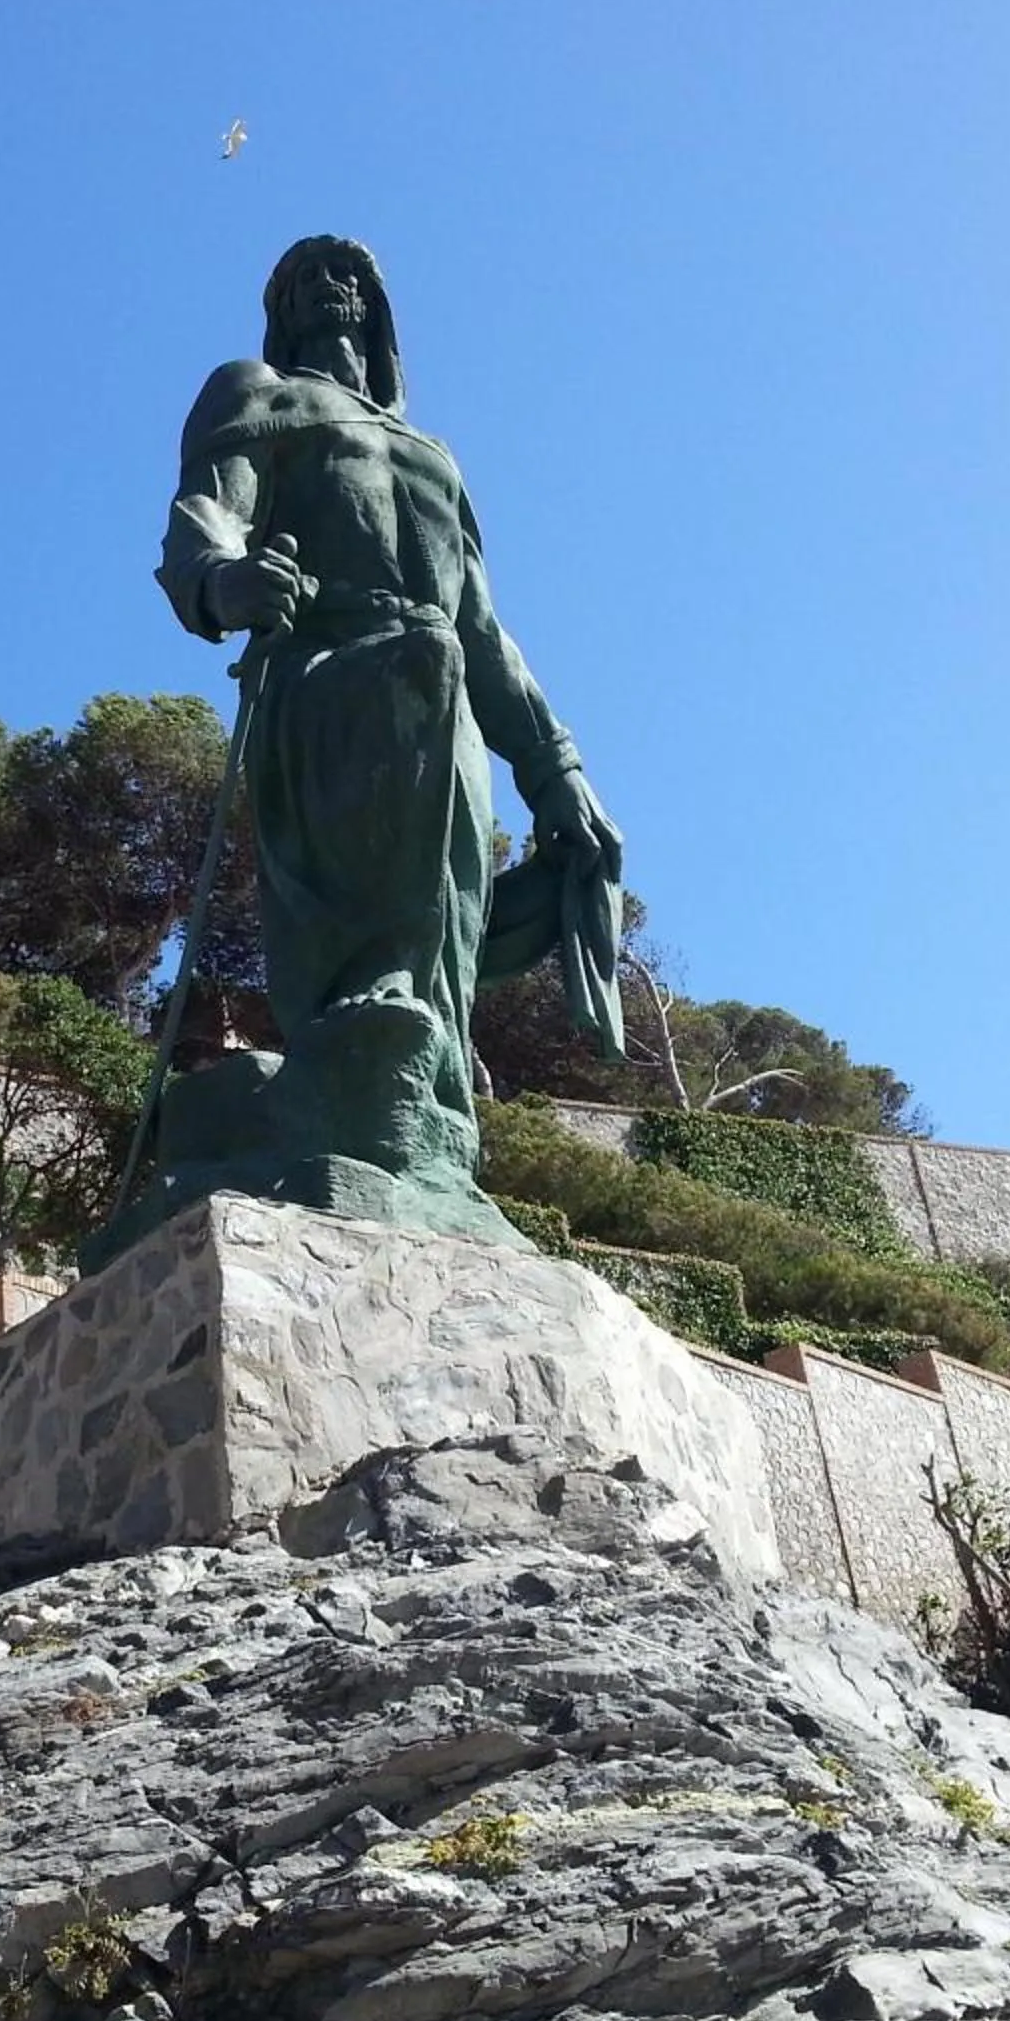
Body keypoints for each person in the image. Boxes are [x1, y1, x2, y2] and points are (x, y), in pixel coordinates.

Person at [97, 235, 624, 1260]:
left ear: (377, 309)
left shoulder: (435, 457)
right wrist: (222, 582)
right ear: (281, 309)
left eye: (348, 274)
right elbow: (204, 516)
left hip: (443, 699)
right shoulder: (256, 391)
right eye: (301, 277)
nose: (326, 285)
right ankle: (357, 1068)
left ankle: (414, 1122)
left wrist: (556, 771)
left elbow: (480, 630)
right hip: (329, 673)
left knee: (451, 920)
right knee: (368, 931)